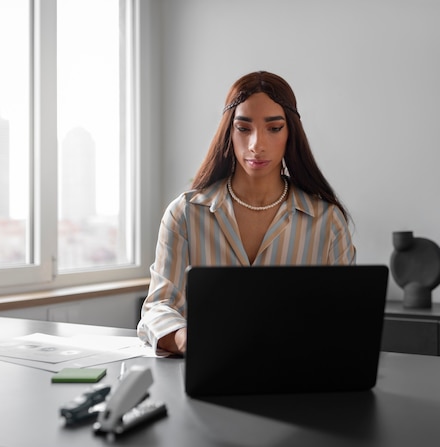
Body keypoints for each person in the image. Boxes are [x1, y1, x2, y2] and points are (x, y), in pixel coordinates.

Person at [137, 71, 356, 356]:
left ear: (290, 134)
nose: (257, 144)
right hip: (205, 378)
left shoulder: (327, 222)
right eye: (244, 128)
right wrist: (184, 339)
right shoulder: (184, 214)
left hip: (298, 380)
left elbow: (346, 317)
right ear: (229, 132)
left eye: (274, 128)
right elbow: (158, 307)